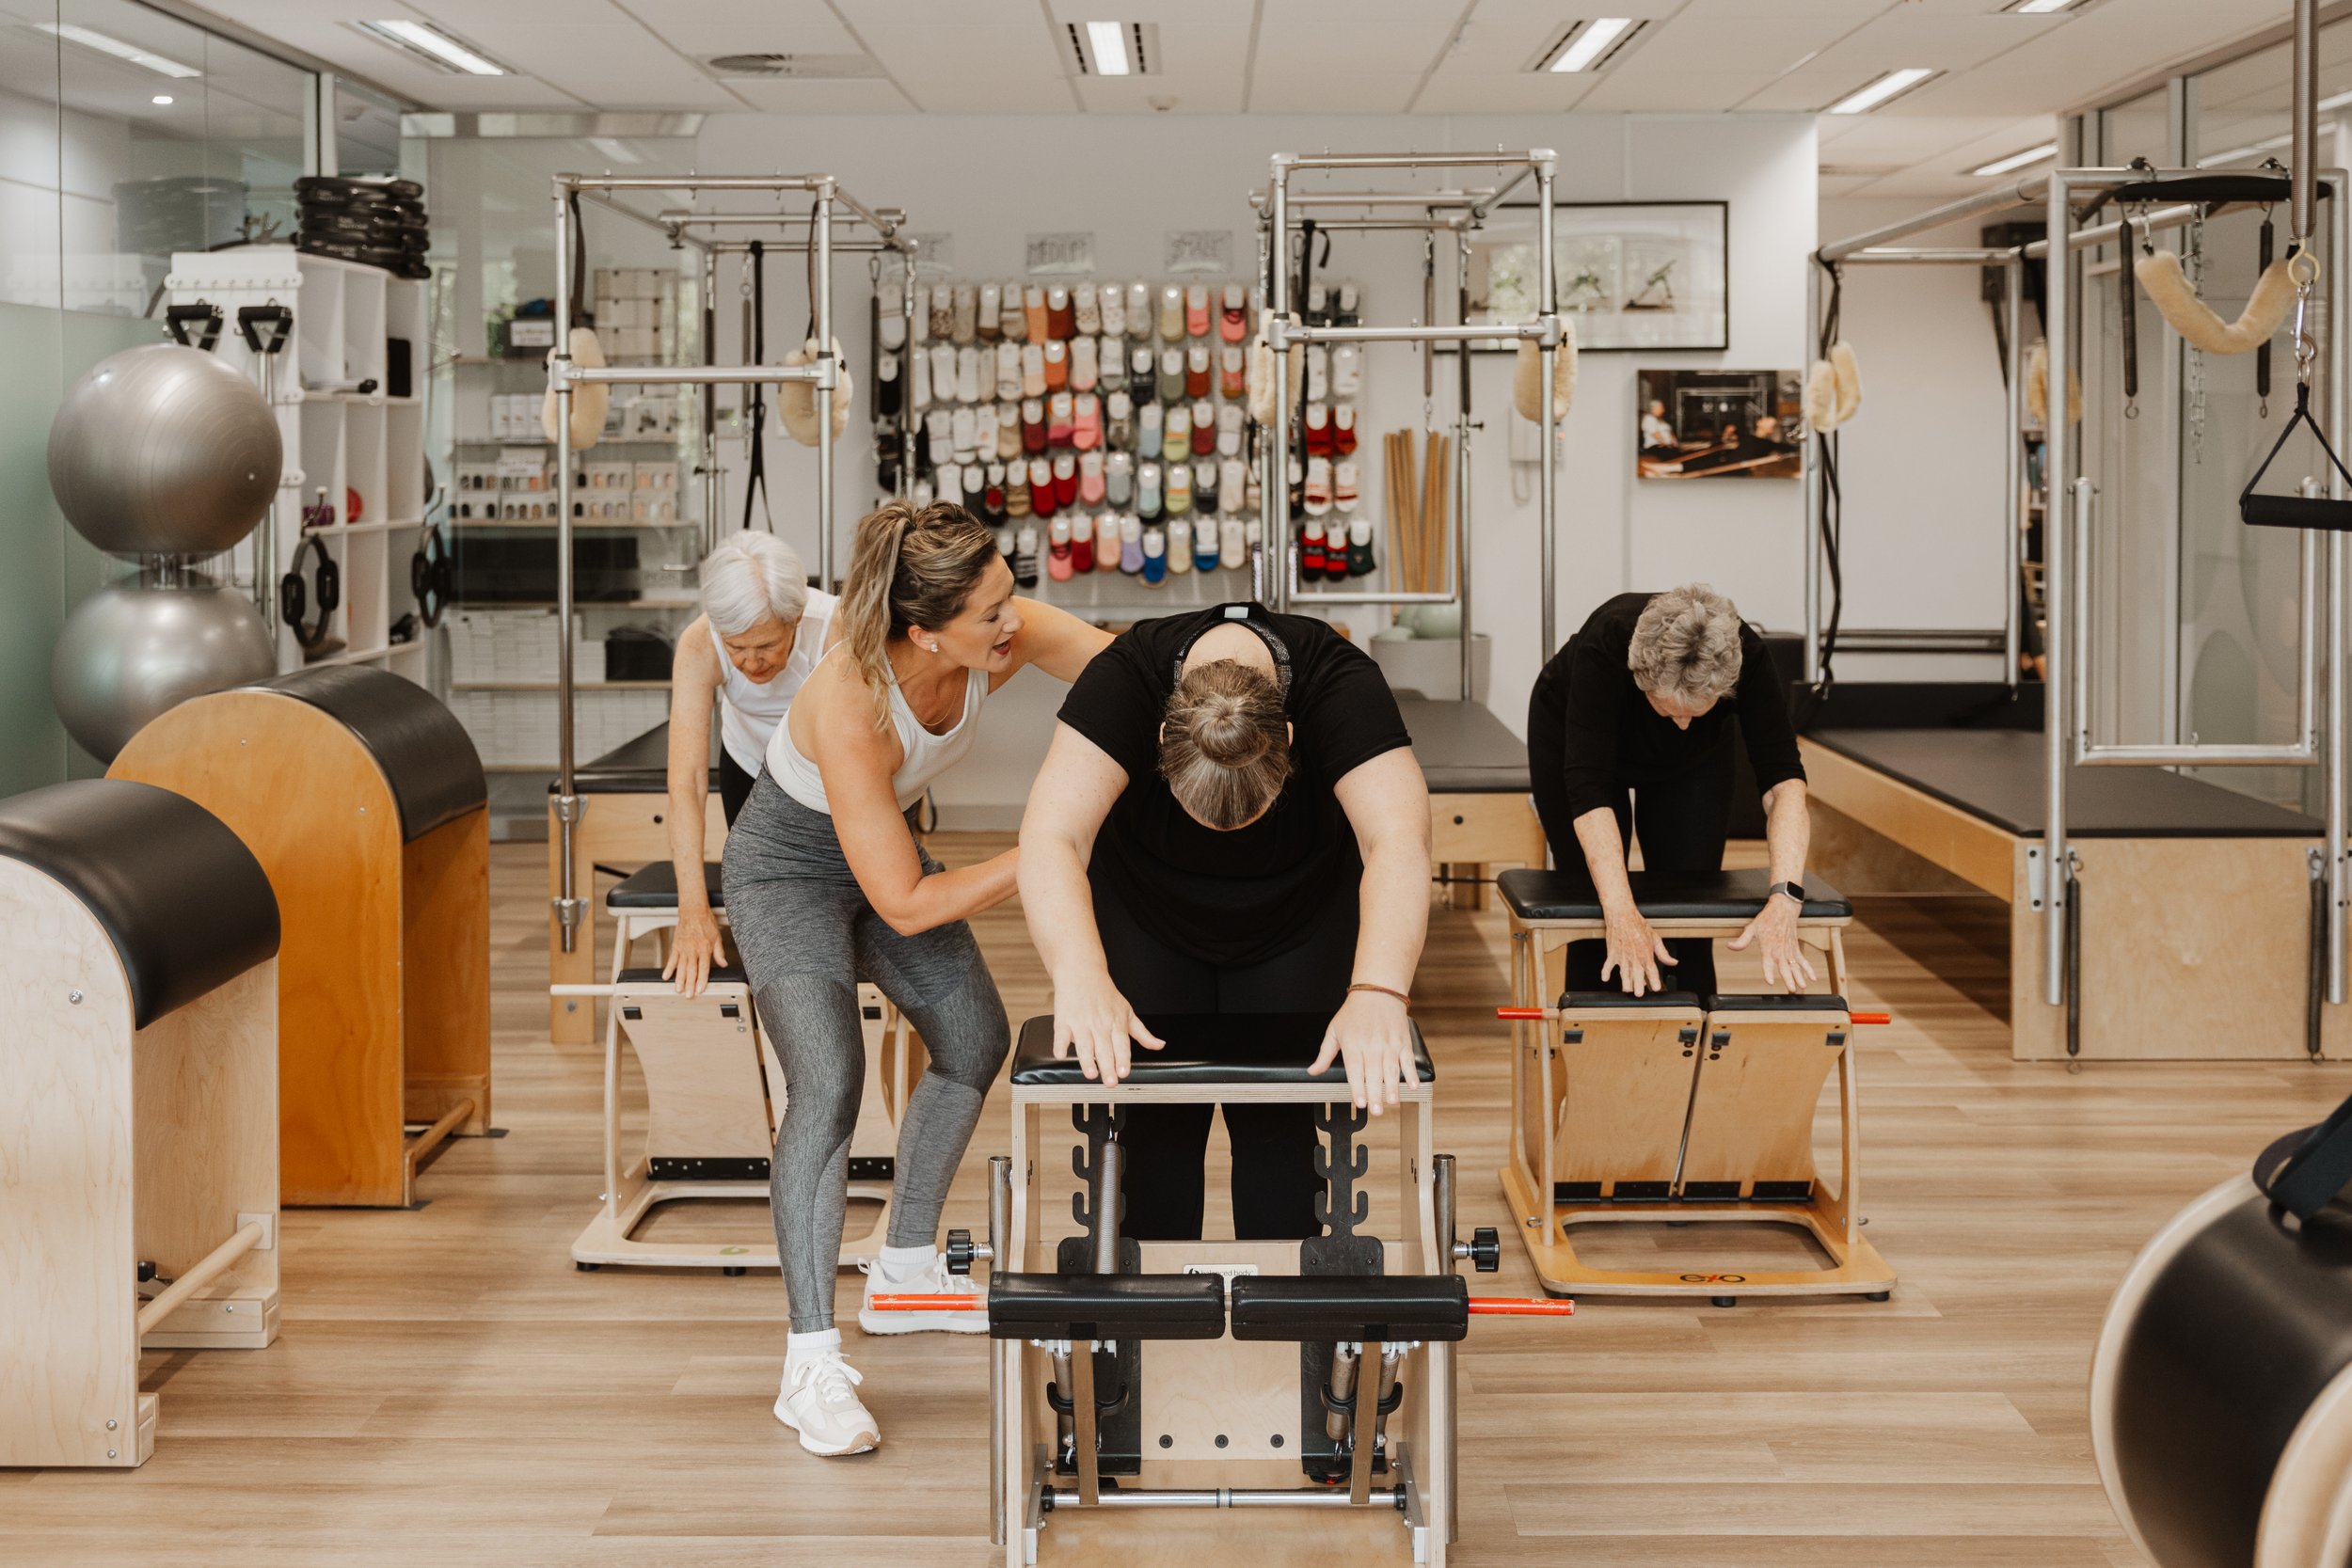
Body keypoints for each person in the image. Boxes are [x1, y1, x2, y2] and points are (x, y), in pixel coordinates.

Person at [723, 499, 1110, 1457]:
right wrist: (1043, 849)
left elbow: (1125, 668)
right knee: (829, 1080)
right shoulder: (851, 697)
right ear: (924, 631)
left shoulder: (994, 637)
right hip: (786, 873)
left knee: (975, 1037)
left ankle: (905, 1268)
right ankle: (808, 1363)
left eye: (1009, 597)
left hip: (880, 853)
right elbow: (901, 901)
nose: (1012, 620)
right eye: (989, 613)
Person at [1018, 601, 1430, 1243]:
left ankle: (1291, 1326)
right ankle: (1144, 1328)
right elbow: (1052, 836)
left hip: (1297, 918)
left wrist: (1379, 988)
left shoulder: (1340, 681)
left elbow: (1398, 839)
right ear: (1162, 739)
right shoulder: (1125, 677)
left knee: (1279, 1135)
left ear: (1289, 738)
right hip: (1148, 911)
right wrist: (1080, 972)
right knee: (1153, 1133)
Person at [1525, 584, 1811, 999]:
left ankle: (1685, 1050)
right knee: (1597, 911)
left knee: (1692, 906)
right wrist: (1622, 912)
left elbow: (1784, 783)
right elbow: (1589, 791)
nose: (1680, 723)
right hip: (1572, 735)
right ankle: (1595, 1053)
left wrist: (1785, 897)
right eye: (1668, 709)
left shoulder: (1747, 655)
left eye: (1695, 710)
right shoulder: (1606, 645)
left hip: (1694, 760)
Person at [661, 531, 835, 997]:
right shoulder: (700, 643)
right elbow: (688, 781)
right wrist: (693, 909)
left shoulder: (835, 630)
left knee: (832, 899)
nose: (751, 662)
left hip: (829, 769)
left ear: (795, 619)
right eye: (737, 648)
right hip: (750, 767)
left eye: (766, 646)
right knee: (766, 899)